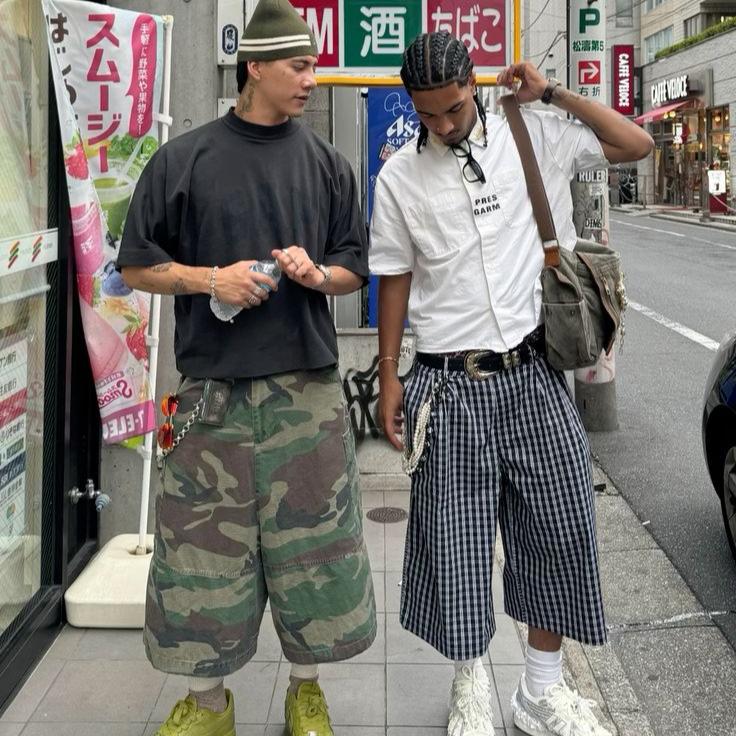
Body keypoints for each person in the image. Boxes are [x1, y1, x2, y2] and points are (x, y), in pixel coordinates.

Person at [370, 31, 653, 736]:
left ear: (475, 84)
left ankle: (540, 690)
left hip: (535, 373)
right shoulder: (399, 177)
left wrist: (551, 92)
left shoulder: (535, 133)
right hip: (448, 380)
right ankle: (472, 687)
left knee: (559, 529)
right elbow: (394, 277)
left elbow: (635, 146)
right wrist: (387, 376)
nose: (441, 125)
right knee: (455, 542)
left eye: (454, 109)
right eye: (427, 114)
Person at [117, 2, 376, 735]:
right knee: (199, 555)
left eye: (315, 66)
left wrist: (317, 275)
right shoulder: (184, 159)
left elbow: (354, 270)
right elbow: (135, 267)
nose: (311, 80)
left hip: (308, 389)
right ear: (254, 66)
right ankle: (208, 705)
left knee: (316, 551)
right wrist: (211, 280)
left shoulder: (327, 164)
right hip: (207, 394)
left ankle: (306, 691)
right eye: (299, 66)